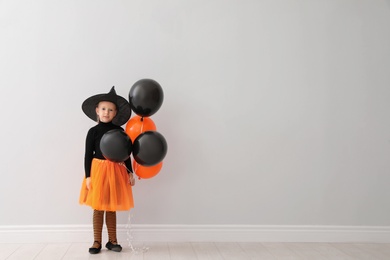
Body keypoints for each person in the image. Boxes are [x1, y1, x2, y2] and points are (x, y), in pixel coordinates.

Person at [79, 86, 135, 254]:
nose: (106, 112)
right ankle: (97, 241)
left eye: (110, 110)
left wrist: (130, 172)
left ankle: (113, 240)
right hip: (98, 171)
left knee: (111, 207)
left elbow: (125, 154)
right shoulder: (93, 132)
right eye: (103, 109)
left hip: (115, 171)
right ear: (97, 110)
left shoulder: (119, 131)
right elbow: (88, 155)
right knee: (98, 207)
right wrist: (88, 176)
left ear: (115, 113)